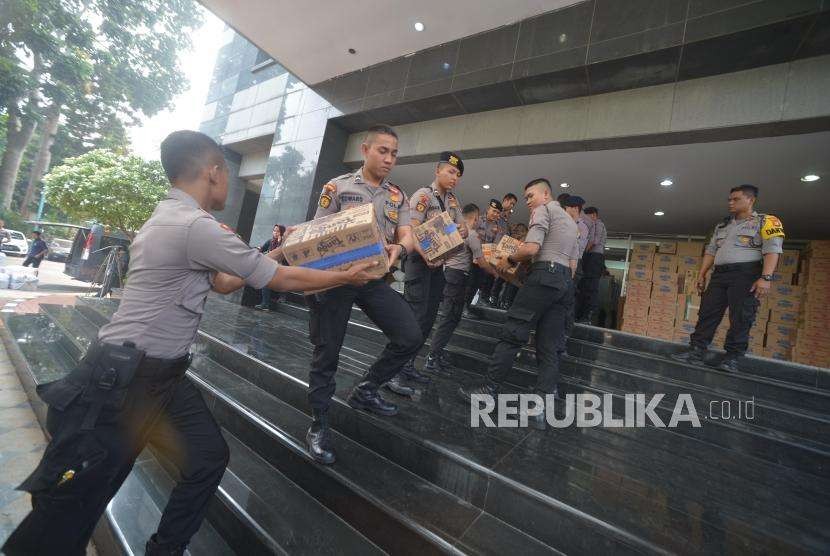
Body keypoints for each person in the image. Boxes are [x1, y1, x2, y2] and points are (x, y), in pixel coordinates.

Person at [3, 130, 376, 556]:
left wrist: (273, 252)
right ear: (214, 172)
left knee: (206, 458)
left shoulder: (172, 218)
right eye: (226, 174)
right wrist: (346, 276)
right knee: (67, 515)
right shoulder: (194, 226)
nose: (228, 183)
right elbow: (280, 280)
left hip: (162, 376)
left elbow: (223, 283)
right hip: (122, 381)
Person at [305, 124, 422, 465]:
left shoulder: (398, 196)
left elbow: (407, 235)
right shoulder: (337, 187)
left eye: (394, 154)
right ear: (366, 150)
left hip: (374, 277)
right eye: (383, 151)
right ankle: (318, 424)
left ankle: (366, 388)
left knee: (410, 335)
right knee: (327, 353)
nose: (389, 159)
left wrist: (398, 248)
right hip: (337, 279)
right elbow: (317, 232)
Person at [458, 178, 579, 429]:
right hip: (565, 283)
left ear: (546, 194)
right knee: (549, 345)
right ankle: (539, 408)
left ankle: (487, 392)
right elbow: (574, 265)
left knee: (513, 333)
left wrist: (508, 260)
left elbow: (532, 248)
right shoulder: (570, 221)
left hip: (545, 274)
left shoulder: (543, 211)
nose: (528, 201)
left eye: (531, 195)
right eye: (526, 198)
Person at [671, 184, 783, 372]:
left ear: (751, 200)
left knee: (741, 316)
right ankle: (696, 351)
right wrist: (701, 273)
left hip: (746, 274)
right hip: (720, 275)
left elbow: (772, 250)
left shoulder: (767, 221)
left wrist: (766, 278)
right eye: (729, 199)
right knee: (707, 312)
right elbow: (711, 250)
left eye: (736, 199)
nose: (731, 203)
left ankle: (732, 358)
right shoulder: (722, 225)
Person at [397, 151, 467, 390]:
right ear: (437, 170)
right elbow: (411, 229)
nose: (454, 177)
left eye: (457, 174)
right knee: (414, 317)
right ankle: (396, 370)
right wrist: (427, 255)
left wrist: (462, 230)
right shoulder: (423, 196)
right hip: (419, 264)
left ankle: (409, 365)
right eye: (450, 171)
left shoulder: (452, 202)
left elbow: (461, 228)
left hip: (438, 267)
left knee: (427, 319)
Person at [425, 203, 497, 375]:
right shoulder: (471, 235)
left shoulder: (453, 231)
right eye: (479, 218)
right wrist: (496, 273)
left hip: (449, 276)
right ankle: (432, 358)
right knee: (448, 319)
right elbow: (481, 261)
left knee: (452, 319)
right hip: (457, 278)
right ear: (475, 217)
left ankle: (437, 354)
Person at [467, 198, 506, 307]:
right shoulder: (477, 220)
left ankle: (468, 306)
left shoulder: (497, 228)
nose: (495, 214)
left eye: (498, 212)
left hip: (483, 262)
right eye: (494, 211)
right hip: (470, 259)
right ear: (488, 209)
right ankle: (461, 307)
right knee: (467, 284)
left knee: (476, 285)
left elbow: (496, 246)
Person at [576, 206, 607, 324]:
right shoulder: (593, 224)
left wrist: (581, 253)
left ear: (594, 215)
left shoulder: (598, 224)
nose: (586, 220)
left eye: (587, 216)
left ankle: (587, 316)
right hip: (592, 257)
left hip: (594, 257)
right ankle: (582, 314)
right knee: (585, 285)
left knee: (590, 287)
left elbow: (593, 242)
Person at [255, 223, 286, 311]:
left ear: (282, 233)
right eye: (274, 231)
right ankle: (265, 304)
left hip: (281, 267)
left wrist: (280, 242)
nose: (275, 233)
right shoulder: (270, 241)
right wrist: (257, 249)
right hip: (271, 266)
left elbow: (282, 254)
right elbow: (262, 249)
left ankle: (282, 296)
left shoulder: (284, 243)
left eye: (278, 231)